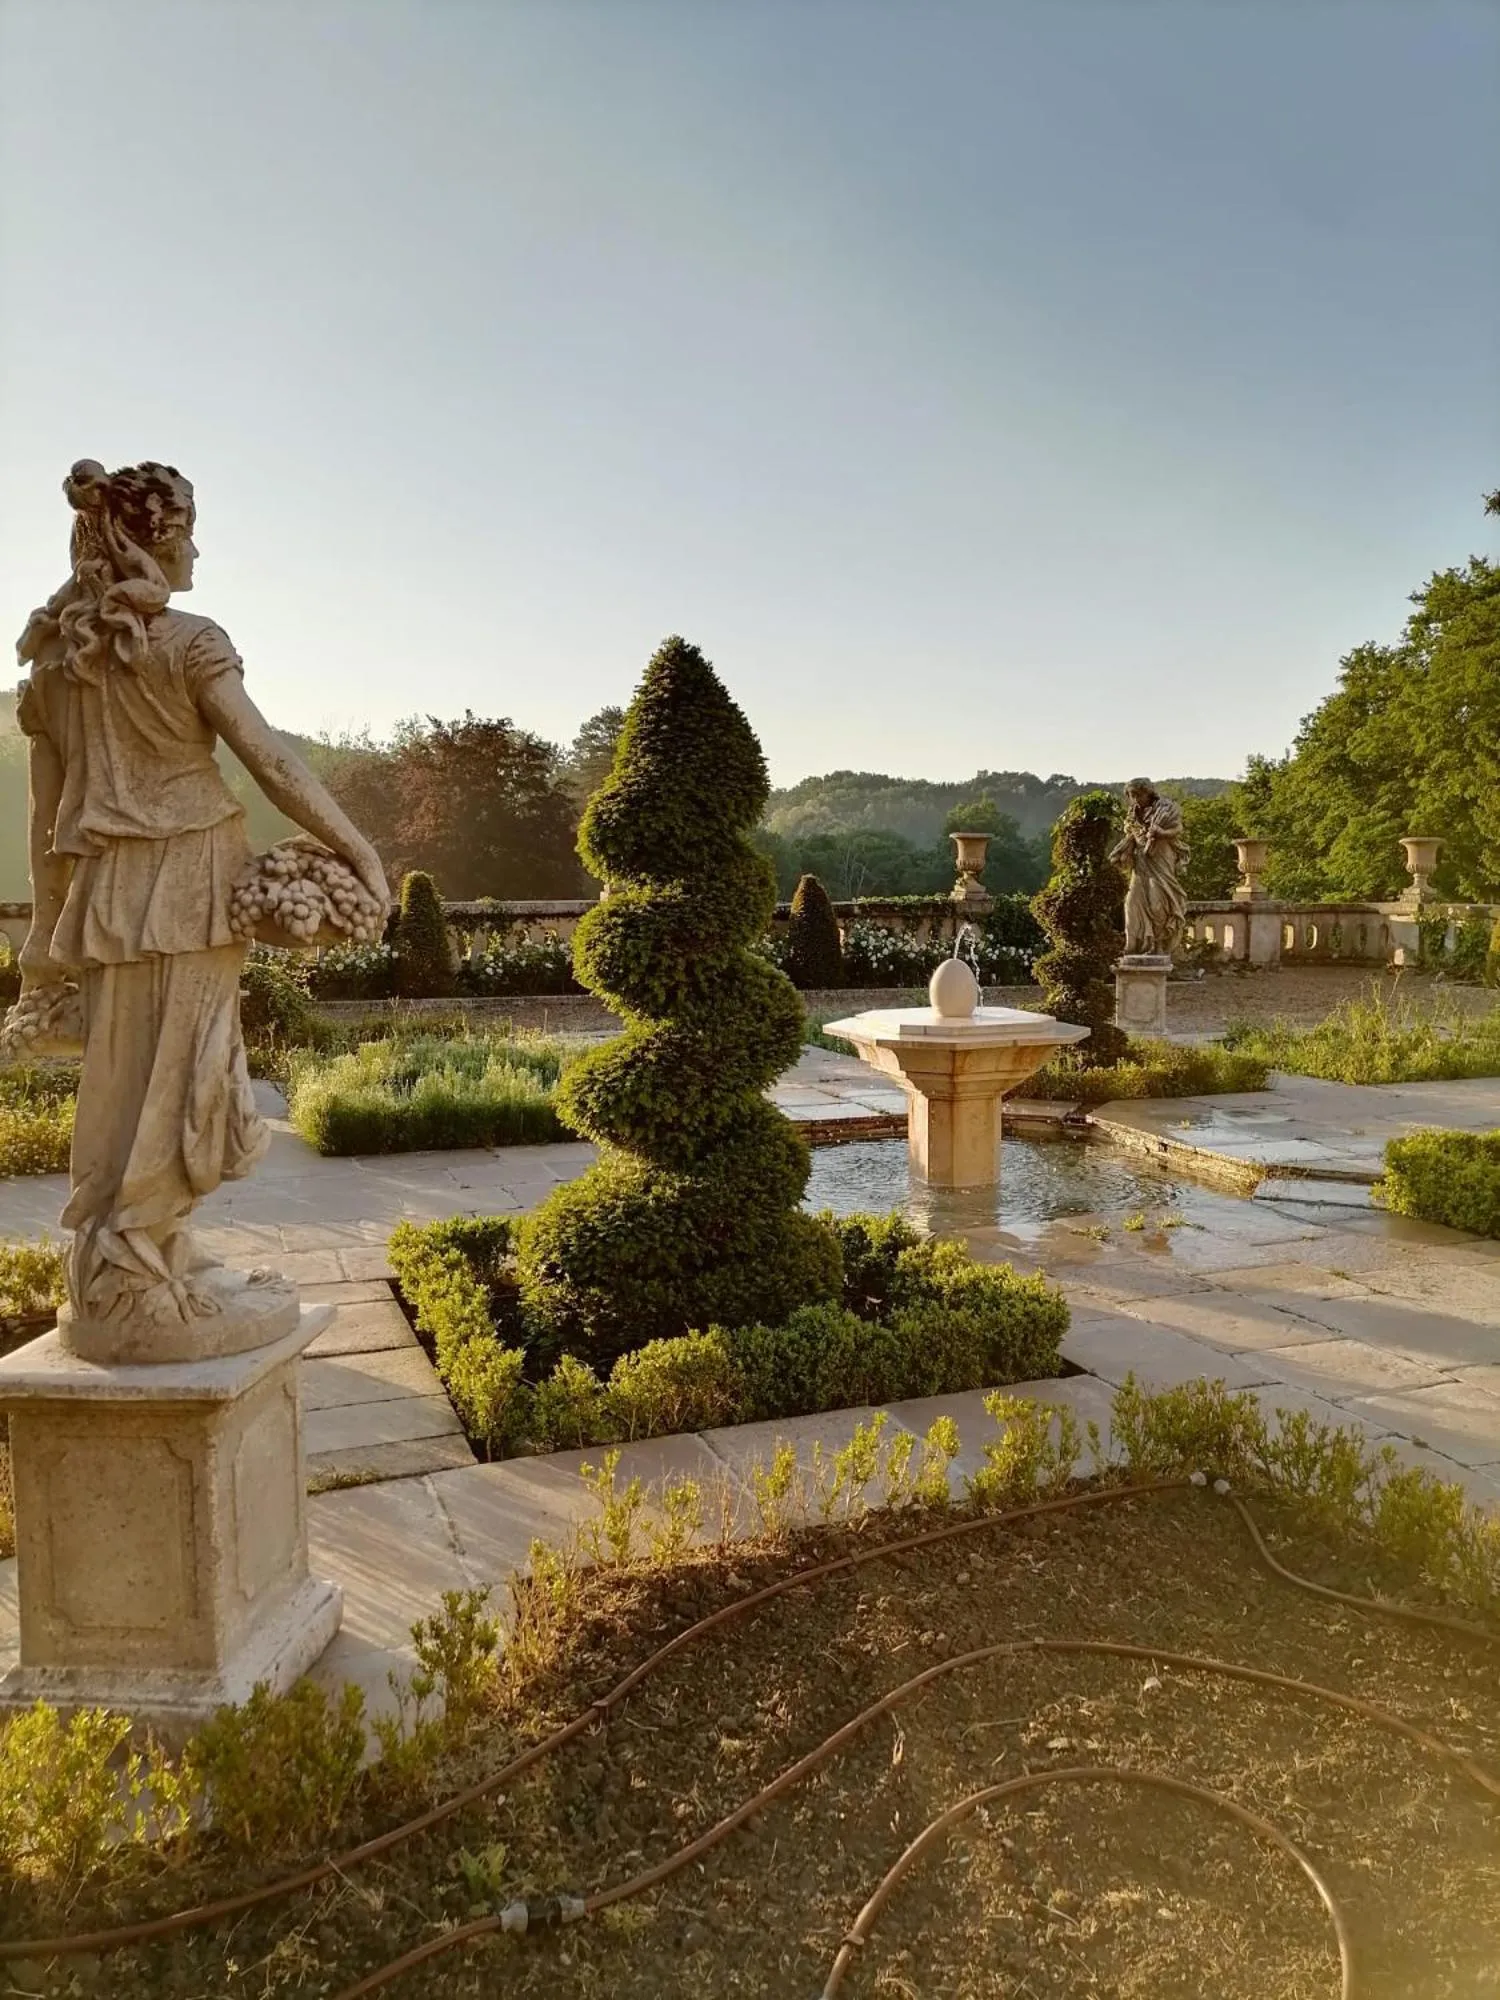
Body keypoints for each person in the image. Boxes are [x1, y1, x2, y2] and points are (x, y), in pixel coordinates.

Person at [13, 458, 388, 1337]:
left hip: (110, 893)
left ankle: (140, 1251)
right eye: (189, 537)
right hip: (192, 879)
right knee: (188, 1072)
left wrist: (42, 939)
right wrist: (358, 846)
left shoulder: (57, 667)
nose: (197, 557)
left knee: (127, 1073)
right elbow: (273, 761)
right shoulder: (188, 641)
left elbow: (46, 823)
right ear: (163, 539)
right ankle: (137, 1264)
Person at [1109, 778, 1189, 956]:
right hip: (1141, 862)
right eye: (1132, 796)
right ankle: (1133, 945)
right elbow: (1131, 836)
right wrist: (1122, 851)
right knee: (1132, 903)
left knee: (1157, 904)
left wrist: (1161, 832)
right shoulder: (1132, 814)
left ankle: (1157, 945)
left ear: (1148, 792)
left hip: (1161, 860)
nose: (1136, 799)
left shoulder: (1164, 808)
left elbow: (1177, 828)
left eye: (1139, 794)